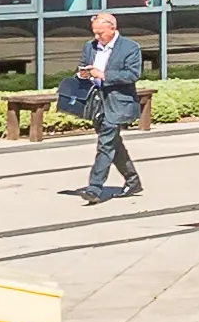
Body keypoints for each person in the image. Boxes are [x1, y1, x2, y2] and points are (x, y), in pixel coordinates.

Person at [62, 11, 150, 197]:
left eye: (100, 33)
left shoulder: (130, 47)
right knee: (113, 143)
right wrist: (82, 74)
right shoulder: (90, 47)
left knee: (105, 144)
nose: (97, 37)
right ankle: (133, 180)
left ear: (113, 28)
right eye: (94, 33)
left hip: (118, 102)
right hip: (95, 102)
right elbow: (82, 67)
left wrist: (103, 75)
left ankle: (94, 188)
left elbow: (132, 75)